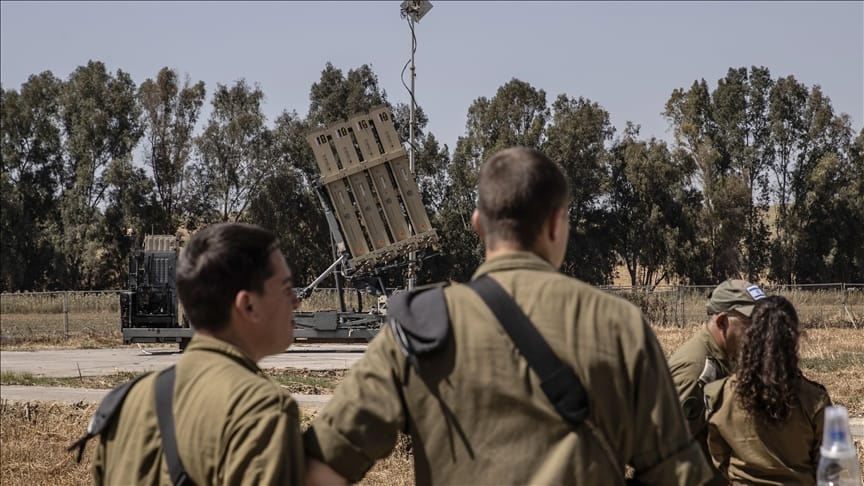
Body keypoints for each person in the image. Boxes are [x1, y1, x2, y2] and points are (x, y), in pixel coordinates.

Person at [303, 147, 711, 485]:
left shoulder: (421, 327)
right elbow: (675, 474)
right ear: (557, 223)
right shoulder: (618, 325)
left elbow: (322, 464)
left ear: (479, 225)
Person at [92, 222, 304, 485]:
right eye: (285, 289)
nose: (295, 301)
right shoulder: (262, 412)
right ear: (248, 305)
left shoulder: (125, 403)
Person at [704, 295, 832, 484]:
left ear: (749, 336)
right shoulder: (815, 401)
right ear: (794, 339)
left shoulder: (720, 395)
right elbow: (827, 468)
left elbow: (720, 458)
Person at [667, 278, 767, 485]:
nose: (761, 333)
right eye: (752, 324)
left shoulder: (729, 355)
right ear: (722, 322)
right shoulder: (698, 370)